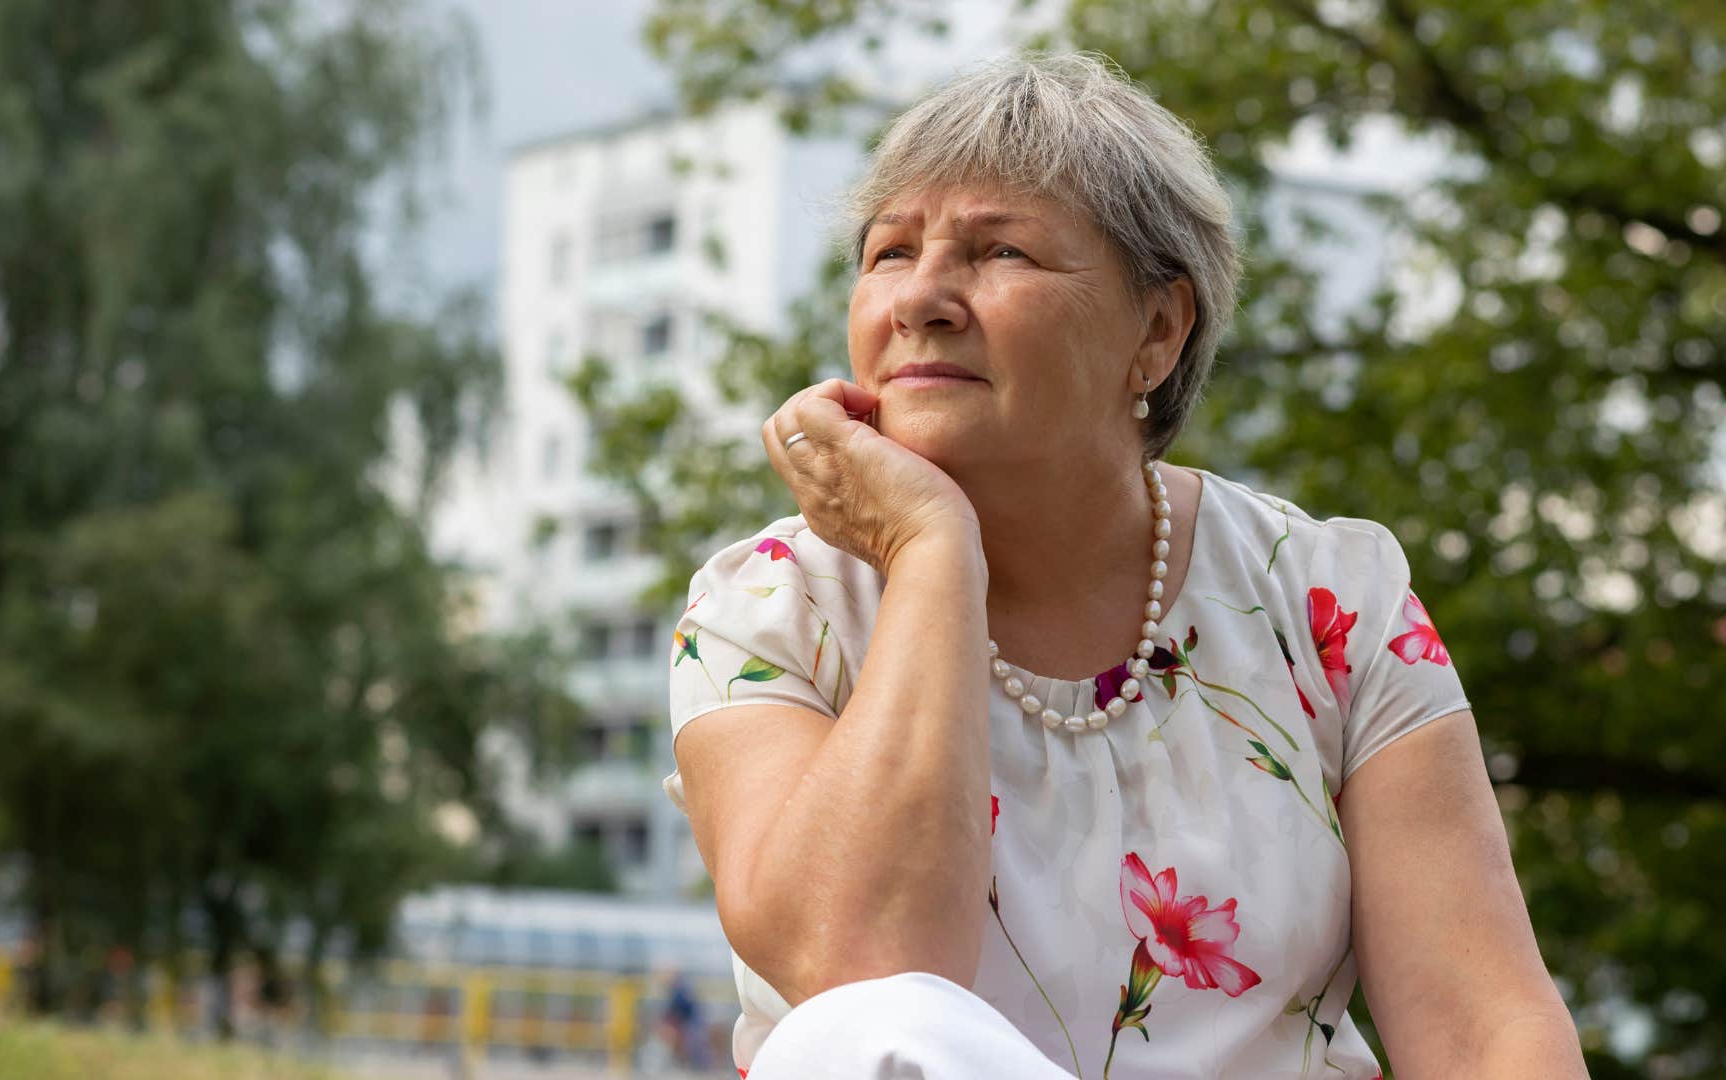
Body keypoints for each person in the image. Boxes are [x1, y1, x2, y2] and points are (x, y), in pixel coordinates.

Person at [661, 53, 1586, 1079]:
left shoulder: (1329, 602)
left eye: (999, 250)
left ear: (1157, 330)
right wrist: (930, 553)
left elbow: (1482, 1029)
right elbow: (871, 992)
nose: (920, 297)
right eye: (888, 253)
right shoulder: (767, 613)